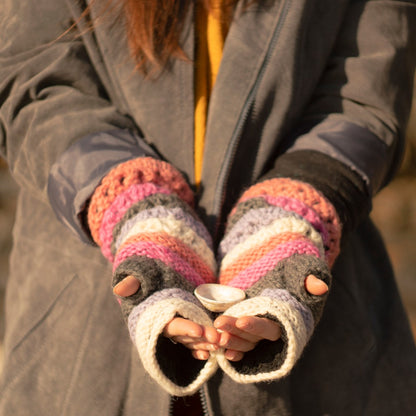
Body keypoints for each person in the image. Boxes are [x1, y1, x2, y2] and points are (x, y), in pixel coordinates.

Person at [0, 0, 415, 414]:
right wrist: (134, 207)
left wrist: (287, 220)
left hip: (321, 341)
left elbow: (366, 99)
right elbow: (35, 82)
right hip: (84, 333)